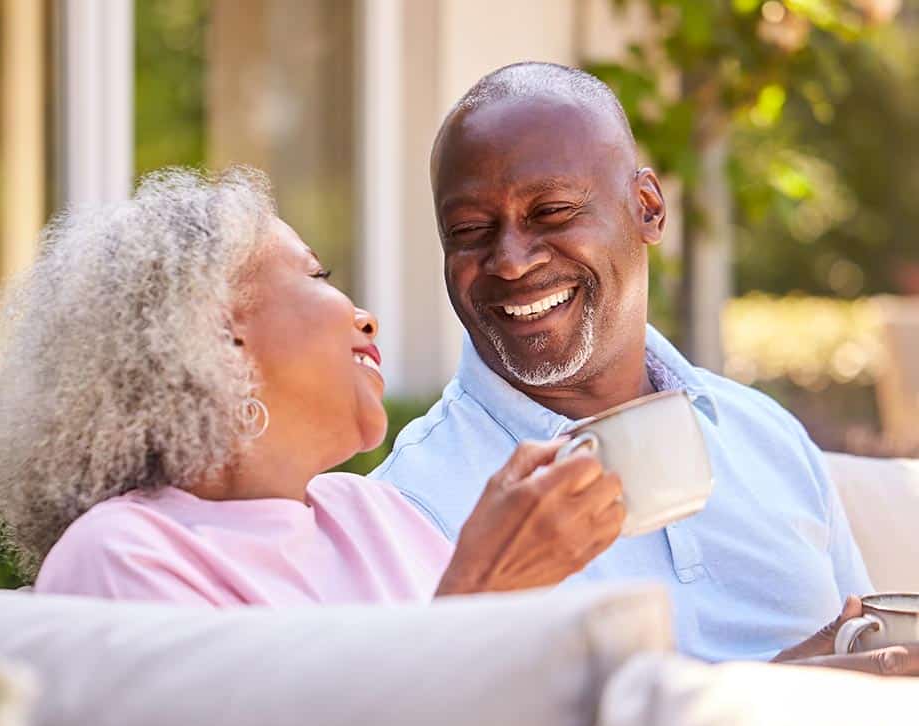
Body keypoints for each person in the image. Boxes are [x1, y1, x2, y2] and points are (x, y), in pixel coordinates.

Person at [372, 62, 918, 674]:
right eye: (470, 229)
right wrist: (769, 698)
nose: (511, 261)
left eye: (551, 212)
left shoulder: (765, 435)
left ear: (648, 209)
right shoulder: (413, 503)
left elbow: (870, 655)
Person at [0, 167, 625, 607]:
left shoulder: (379, 515)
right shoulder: (121, 555)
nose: (364, 315)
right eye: (317, 275)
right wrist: (482, 592)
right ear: (215, 336)